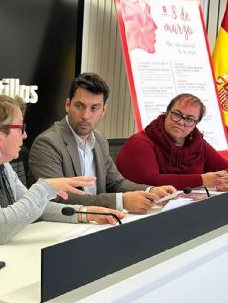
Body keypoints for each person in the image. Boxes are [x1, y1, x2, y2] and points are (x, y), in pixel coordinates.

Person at [0, 93, 124, 249]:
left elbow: (34, 208)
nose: (25, 135)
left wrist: (87, 213)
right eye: (21, 128)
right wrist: (44, 188)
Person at [29, 73, 176, 214]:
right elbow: (60, 198)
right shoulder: (47, 143)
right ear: (68, 105)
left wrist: (150, 191)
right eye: (79, 106)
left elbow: (116, 183)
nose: (86, 116)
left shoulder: (99, 140)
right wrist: (121, 201)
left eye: (94, 108)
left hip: (98, 222)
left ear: (104, 110)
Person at [116, 93, 228, 191]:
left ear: (196, 124)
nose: (181, 122)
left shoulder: (198, 144)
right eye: (176, 114)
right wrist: (201, 180)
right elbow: (150, 181)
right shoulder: (140, 142)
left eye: (189, 119)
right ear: (166, 113)